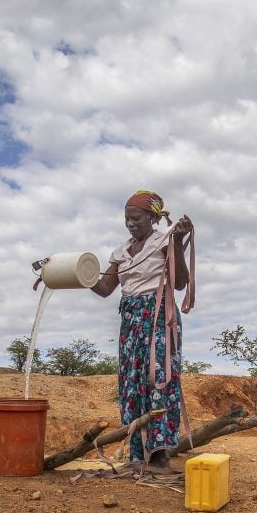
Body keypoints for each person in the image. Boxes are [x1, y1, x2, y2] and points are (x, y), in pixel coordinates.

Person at [91, 190, 195, 465]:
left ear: (152, 217)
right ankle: (137, 452)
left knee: (158, 378)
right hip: (131, 319)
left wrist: (178, 241)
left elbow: (181, 282)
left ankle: (160, 454)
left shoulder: (164, 241)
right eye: (127, 219)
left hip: (158, 314)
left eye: (136, 218)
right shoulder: (121, 252)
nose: (130, 223)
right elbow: (104, 288)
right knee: (131, 382)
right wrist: (81, 272)